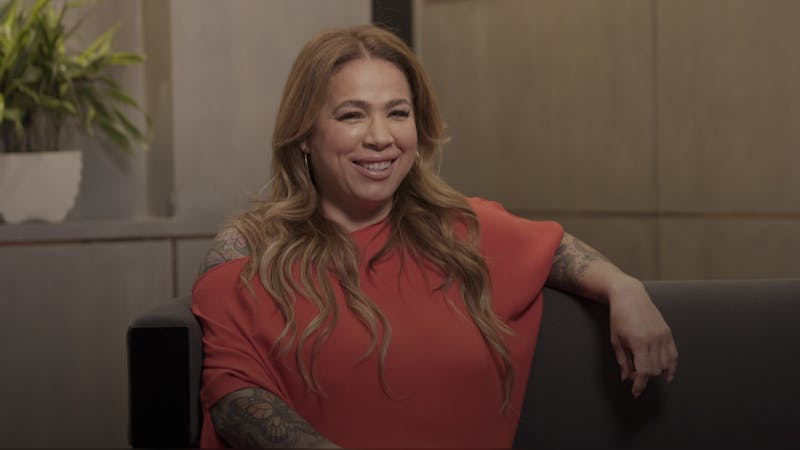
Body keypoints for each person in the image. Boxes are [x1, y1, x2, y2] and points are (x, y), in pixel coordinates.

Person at [192, 25, 678, 449]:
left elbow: (557, 250)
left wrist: (624, 288)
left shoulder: (461, 228)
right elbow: (233, 392)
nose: (381, 137)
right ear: (304, 135)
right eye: (352, 115)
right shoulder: (250, 247)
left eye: (398, 113)